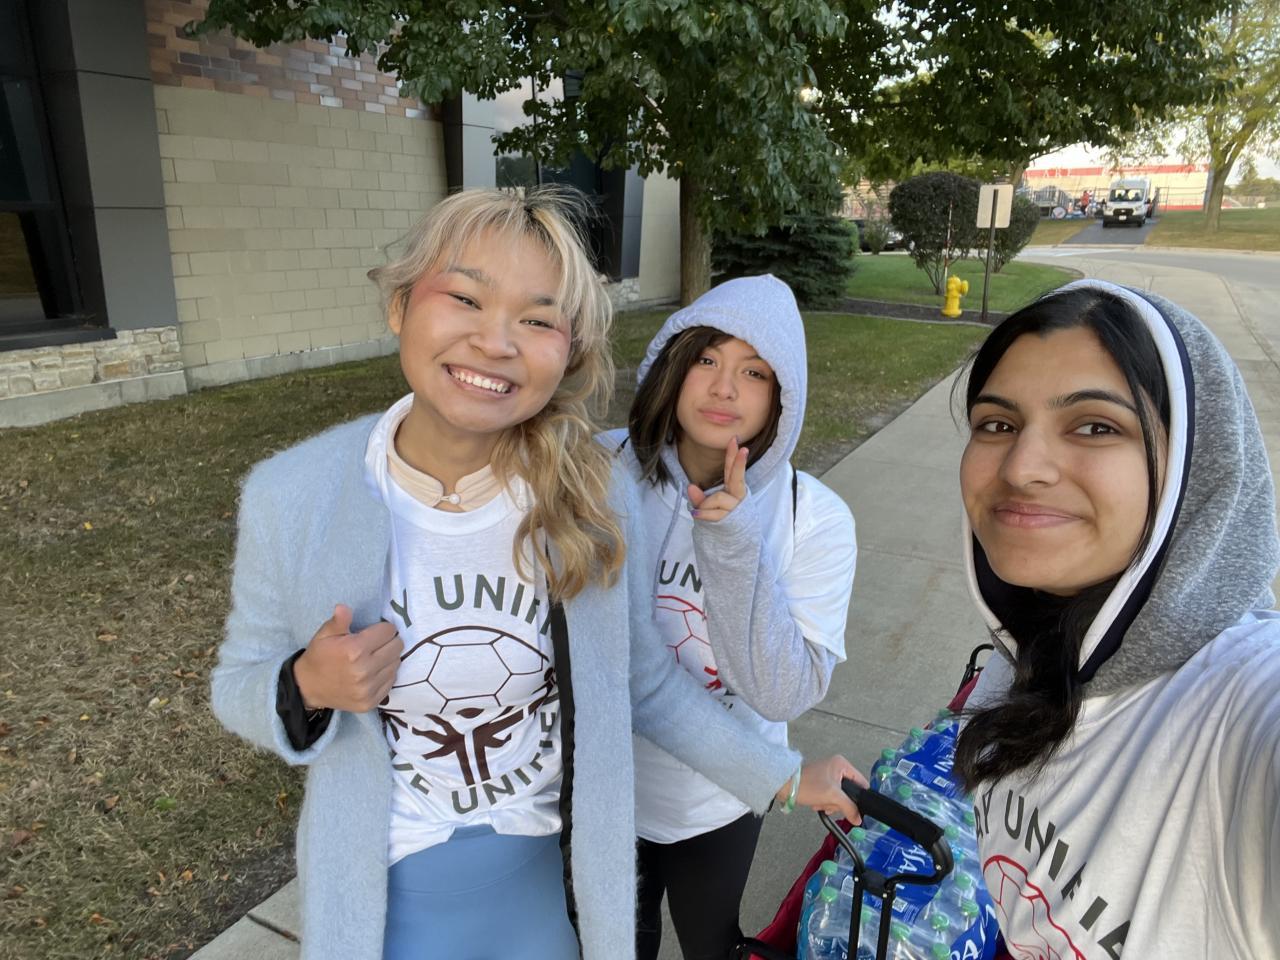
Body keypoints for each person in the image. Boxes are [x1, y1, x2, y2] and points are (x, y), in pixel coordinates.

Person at [210, 189, 862, 960]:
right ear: (399, 305)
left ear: (569, 353)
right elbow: (238, 685)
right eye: (465, 298)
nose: (495, 341)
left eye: (538, 319)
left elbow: (643, 682)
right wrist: (304, 686)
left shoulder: (586, 494)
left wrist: (785, 776)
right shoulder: (292, 496)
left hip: (546, 885)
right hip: (385, 894)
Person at [954, 279, 1280, 956]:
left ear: (1193, 464)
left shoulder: (1240, 708)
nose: (1021, 467)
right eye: (997, 424)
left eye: (1096, 426)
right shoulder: (1027, 657)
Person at [606, 275, 857, 960]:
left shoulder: (815, 518)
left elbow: (782, 692)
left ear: (782, 396)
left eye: (754, 372)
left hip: (719, 801)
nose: (724, 389)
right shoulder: (598, 472)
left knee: (711, 943)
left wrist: (731, 542)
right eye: (707, 359)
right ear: (672, 365)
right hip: (606, 790)